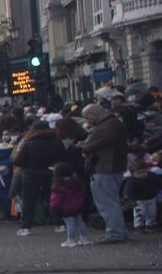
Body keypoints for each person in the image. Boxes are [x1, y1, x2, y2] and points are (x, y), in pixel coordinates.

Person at [80, 102, 130, 244]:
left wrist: (86, 147)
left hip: (105, 167)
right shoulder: (113, 123)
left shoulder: (107, 125)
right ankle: (119, 231)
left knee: (107, 203)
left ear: (93, 114)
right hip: (110, 167)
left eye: (87, 118)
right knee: (112, 202)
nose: (87, 121)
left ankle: (114, 233)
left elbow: (106, 140)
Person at [51, 163, 91, 247]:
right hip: (78, 206)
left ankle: (71, 240)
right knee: (80, 222)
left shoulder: (59, 185)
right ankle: (84, 238)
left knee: (70, 224)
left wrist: (54, 210)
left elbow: (56, 200)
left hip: (65, 208)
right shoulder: (78, 182)